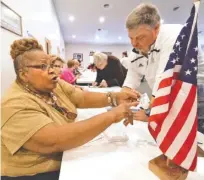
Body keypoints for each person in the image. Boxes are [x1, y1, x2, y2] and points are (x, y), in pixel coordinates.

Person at [1, 38, 140, 180]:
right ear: (24, 74)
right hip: (35, 173)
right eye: (43, 66)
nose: (53, 71)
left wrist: (115, 98)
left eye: (51, 65)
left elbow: (80, 97)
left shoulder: (54, 85)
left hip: (66, 158)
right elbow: (54, 140)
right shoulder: (14, 104)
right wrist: (111, 116)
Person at [122, 3, 204, 126]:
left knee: (191, 138)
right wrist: (122, 102)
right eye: (131, 38)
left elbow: (163, 81)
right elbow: (131, 78)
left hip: (194, 94)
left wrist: (150, 113)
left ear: (156, 28)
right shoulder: (138, 48)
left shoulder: (174, 36)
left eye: (140, 38)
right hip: (170, 95)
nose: (134, 44)